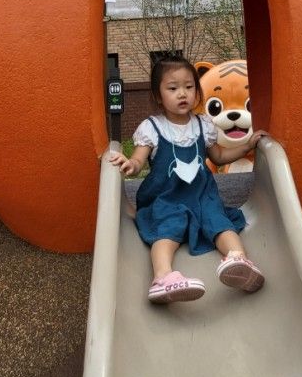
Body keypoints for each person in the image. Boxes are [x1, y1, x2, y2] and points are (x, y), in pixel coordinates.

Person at [108, 57, 267, 304]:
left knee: (218, 221)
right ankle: (163, 277)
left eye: (189, 87)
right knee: (167, 229)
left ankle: (238, 260)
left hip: (202, 194)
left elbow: (219, 156)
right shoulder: (152, 127)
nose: (182, 93)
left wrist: (247, 145)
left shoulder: (203, 125)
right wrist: (130, 165)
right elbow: (138, 160)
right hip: (167, 197)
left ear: (197, 91)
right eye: (172, 88)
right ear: (159, 96)